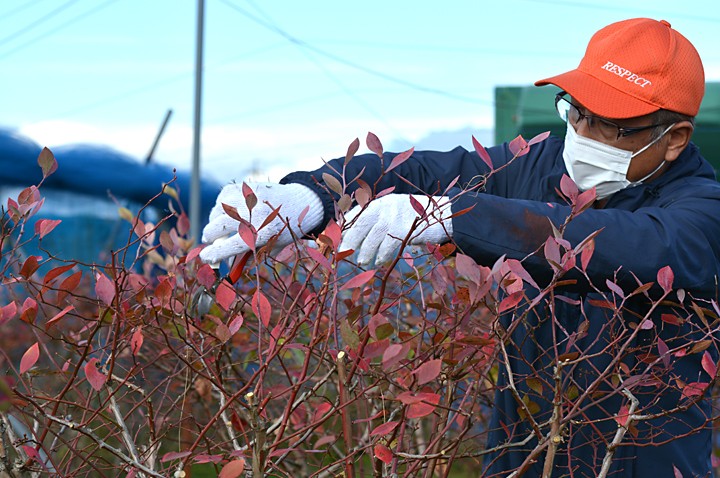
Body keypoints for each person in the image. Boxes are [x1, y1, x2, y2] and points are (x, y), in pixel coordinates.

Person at [200, 18, 720, 477]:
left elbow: (640, 245)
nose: (583, 134)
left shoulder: (701, 209)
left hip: (639, 460)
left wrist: (455, 216)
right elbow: (428, 169)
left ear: (673, 139)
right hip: (522, 451)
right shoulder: (539, 166)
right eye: (578, 112)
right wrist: (315, 194)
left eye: (611, 125)